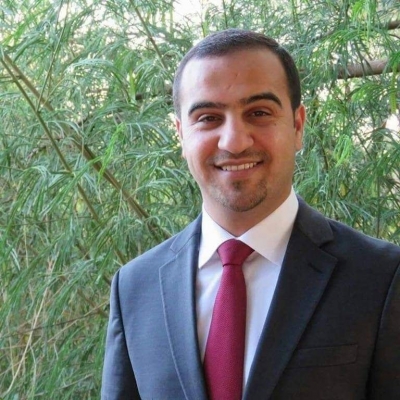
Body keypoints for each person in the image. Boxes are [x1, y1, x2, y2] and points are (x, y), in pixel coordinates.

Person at [101, 29, 400, 400]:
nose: (235, 141)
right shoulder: (135, 287)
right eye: (208, 118)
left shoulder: (381, 278)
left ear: (297, 126)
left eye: (258, 113)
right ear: (181, 136)